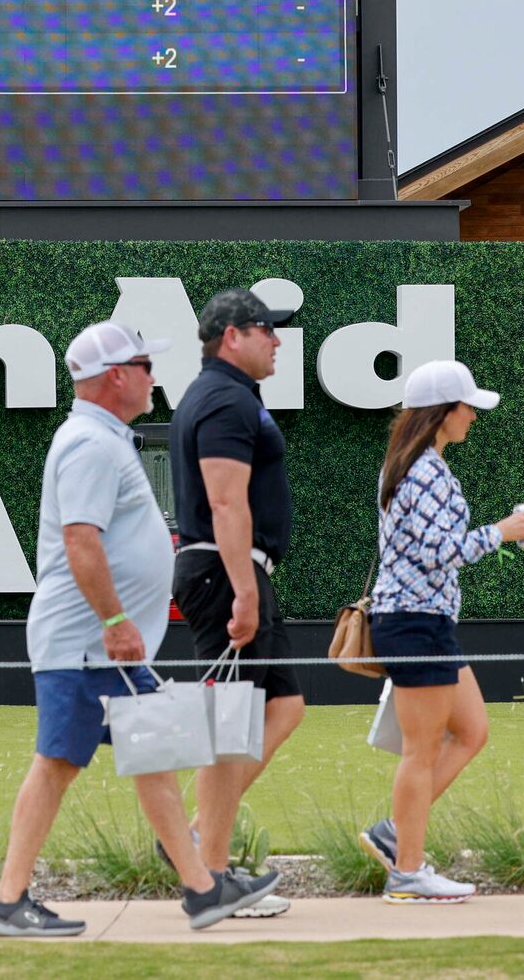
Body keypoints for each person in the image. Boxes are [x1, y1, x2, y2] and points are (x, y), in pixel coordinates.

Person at [0, 320, 280, 937]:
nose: (153, 376)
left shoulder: (103, 438)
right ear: (117, 375)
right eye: (145, 366)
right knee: (58, 762)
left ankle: (202, 888)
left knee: (155, 758)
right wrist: (114, 621)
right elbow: (79, 539)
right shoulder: (90, 444)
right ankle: (8, 901)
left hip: (108, 649)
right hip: (89, 645)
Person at [361, 359, 524, 903]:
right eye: (467, 407)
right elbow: (440, 552)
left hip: (423, 622)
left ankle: (396, 836)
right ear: (443, 412)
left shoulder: (414, 464)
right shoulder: (425, 471)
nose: (472, 417)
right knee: (422, 749)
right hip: (417, 622)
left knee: (472, 730)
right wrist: (503, 532)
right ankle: (407, 870)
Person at [168, 287, 305, 888]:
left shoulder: (231, 396)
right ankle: (210, 869)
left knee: (285, 707)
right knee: (231, 724)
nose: (277, 340)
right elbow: (225, 502)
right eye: (266, 329)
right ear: (232, 336)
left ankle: (199, 834)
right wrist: (245, 593)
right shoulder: (223, 400)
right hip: (226, 573)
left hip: (235, 570)